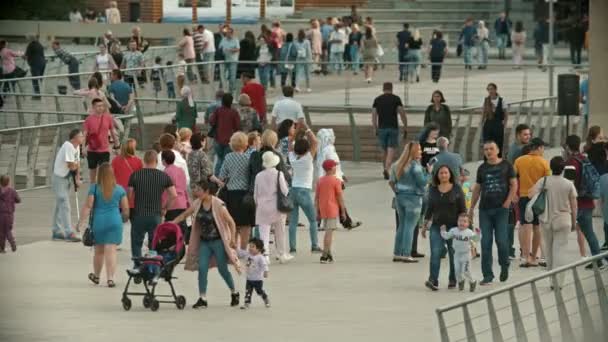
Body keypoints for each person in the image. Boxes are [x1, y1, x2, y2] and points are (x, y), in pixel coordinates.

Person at [173, 178, 241, 309]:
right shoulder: (197, 203)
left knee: (222, 270)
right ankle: (202, 298)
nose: (196, 192)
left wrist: (232, 239)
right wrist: (170, 224)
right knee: (202, 268)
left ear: (207, 191)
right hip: (204, 242)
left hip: (218, 242)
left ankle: (234, 292)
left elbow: (231, 222)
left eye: (199, 190)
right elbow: (184, 215)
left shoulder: (218, 204)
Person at [468, 141, 517, 285]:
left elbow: (514, 184)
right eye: (486, 149)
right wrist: (471, 208)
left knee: (502, 241)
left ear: (497, 150)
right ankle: (487, 274)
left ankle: (504, 264)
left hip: (501, 209)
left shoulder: (506, 165)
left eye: (491, 149)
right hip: (485, 210)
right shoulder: (482, 168)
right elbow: (477, 188)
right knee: (485, 242)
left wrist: (508, 202)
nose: (488, 151)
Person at [528, 157, 578, 289]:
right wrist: (574, 222)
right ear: (563, 169)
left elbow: (529, 194)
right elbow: (574, 206)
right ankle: (558, 283)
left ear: (550, 167)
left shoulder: (544, 181)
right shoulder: (568, 183)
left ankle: (551, 280)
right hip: (563, 219)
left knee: (548, 251)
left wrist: (542, 191)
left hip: (546, 220)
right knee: (560, 251)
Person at [78, 163, 128, 287]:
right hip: (115, 221)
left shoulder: (94, 188)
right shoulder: (120, 189)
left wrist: (80, 222)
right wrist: (122, 220)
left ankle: (97, 276)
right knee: (111, 251)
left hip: (99, 222)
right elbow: (126, 209)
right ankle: (110, 279)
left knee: (99, 251)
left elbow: (88, 206)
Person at [564, 135, 605, 269]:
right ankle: (597, 260)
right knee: (589, 233)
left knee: (561, 232)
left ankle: (557, 262)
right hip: (587, 201)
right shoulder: (584, 158)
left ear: (568, 147)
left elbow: (569, 186)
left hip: (576, 203)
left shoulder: (571, 162)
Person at [128, 151, 177, 261]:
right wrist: (165, 208)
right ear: (156, 161)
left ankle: (137, 266)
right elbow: (173, 195)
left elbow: (129, 195)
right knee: (154, 243)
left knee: (136, 243)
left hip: (139, 214)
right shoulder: (163, 176)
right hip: (156, 215)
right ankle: (151, 267)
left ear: (144, 161)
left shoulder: (135, 175)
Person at [390, 142, 430, 263]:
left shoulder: (397, 165)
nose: (421, 152)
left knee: (402, 225)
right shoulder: (415, 166)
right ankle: (406, 254)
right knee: (410, 226)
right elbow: (423, 182)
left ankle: (397, 253)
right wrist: (429, 171)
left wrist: (397, 191)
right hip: (413, 198)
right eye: (419, 150)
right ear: (414, 152)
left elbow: (391, 181)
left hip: (400, 197)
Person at [514, 137, 551, 267]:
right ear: (539, 147)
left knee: (525, 226)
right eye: (543, 148)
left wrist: (514, 194)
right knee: (537, 227)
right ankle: (535, 257)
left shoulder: (519, 160)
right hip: (539, 198)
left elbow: (513, 179)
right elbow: (548, 181)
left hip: (524, 196)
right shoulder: (544, 163)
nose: (544, 150)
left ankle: (525, 256)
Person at [315, 129, 361, 230]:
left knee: (334, 201)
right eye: (331, 136)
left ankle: (344, 222)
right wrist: (322, 180)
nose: (333, 138)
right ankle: (345, 222)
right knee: (334, 201)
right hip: (331, 181)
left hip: (336, 179)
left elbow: (336, 164)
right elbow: (322, 166)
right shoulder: (326, 150)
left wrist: (342, 174)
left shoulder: (329, 148)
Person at [219, 132, 255, 253]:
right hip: (245, 194)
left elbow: (222, 176)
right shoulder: (248, 157)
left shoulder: (228, 157)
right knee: (245, 225)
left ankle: (233, 248)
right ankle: (243, 250)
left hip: (231, 194)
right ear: (245, 144)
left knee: (232, 223)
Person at [254, 151, 292, 263]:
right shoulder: (279, 174)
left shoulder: (258, 176)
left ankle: (265, 256)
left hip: (262, 207)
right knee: (280, 231)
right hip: (276, 207)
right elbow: (285, 191)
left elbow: (255, 194)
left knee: (264, 233)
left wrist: (258, 204)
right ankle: (281, 254)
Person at [288, 129, 322, 254]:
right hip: (304, 191)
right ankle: (314, 245)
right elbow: (315, 142)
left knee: (293, 221)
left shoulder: (292, 157)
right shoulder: (308, 158)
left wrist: (296, 133)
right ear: (307, 149)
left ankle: (292, 247)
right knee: (313, 220)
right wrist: (307, 130)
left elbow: (291, 142)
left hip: (293, 190)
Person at [51, 129, 84, 242]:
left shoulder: (77, 147)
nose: (83, 138)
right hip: (60, 178)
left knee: (59, 205)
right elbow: (71, 165)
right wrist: (75, 169)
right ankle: (69, 232)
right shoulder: (68, 146)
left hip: (67, 178)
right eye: (80, 136)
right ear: (74, 138)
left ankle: (56, 231)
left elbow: (77, 164)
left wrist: (77, 178)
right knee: (64, 204)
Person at [372, 82, 408, 180]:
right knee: (391, 150)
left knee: (384, 151)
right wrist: (405, 126)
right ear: (392, 89)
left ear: (383, 89)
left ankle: (385, 168)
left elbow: (374, 115)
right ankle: (387, 169)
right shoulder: (396, 99)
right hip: (393, 128)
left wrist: (375, 128)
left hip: (382, 128)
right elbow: (402, 113)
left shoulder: (377, 100)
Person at [316, 159, 346, 264]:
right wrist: (343, 211)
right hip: (332, 209)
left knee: (328, 231)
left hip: (323, 209)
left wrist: (317, 211)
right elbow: (340, 197)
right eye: (334, 166)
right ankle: (324, 256)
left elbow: (317, 198)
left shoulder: (320, 181)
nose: (336, 168)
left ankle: (329, 254)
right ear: (330, 168)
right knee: (329, 233)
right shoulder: (336, 181)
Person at [440, 214, 479, 292]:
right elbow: (446, 236)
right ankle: (461, 281)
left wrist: (478, 233)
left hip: (466, 255)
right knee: (457, 270)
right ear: (457, 221)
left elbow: (476, 240)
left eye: (465, 221)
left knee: (466, 271)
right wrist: (443, 231)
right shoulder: (454, 230)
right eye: (460, 221)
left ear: (468, 223)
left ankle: (472, 282)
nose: (462, 223)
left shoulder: (469, 233)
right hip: (457, 255)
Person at [83, 98, 118, 183]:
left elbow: (113, 131)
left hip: (104, 149)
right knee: (92, 170)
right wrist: (83, 148)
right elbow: (85, 134)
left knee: (104, 171)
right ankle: (93, 187)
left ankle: (102, 187)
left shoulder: (108, 118)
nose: (101, 108)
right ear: (93, 107)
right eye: (98, 106)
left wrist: (117, 145)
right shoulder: (88, 120)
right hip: (92, 149)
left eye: (102, 106)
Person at [160, 151, 189, 241]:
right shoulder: (180, 170)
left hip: (172, 204)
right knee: (181, 228)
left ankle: (172, 249)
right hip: (182, 202)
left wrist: (163, 206)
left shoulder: (165, 172)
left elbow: (166, 192)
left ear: (164, 160)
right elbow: (184, 187)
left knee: (171, 229)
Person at [210, 93, 241, 175]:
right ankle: (225, 177)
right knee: (226, 160)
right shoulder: (234, 112)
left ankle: (217, 176)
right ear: (231, 102)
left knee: (220, 159)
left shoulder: (218, 110)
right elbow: (237, 126)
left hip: (218, 138)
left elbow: (212, 121)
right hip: (229, 140)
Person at [111, 138, 142, 212]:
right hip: (133, 196)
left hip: (119, 195)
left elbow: (111, 176)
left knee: (119, 220)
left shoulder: (115, 160)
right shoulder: (138, 161)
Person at [240, 238, 270, 309]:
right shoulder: (248, 255)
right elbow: (242, 254)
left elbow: (264, 265)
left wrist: (266, 272)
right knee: (248, 292)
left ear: (259, 249)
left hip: (258, 279)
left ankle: (265, 298)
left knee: (259, 291)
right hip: (249, 279)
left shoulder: (260, 257)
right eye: (249, 246)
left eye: (253, 246)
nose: (250, 248)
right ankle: (247, 303)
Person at [481, 83, 508, 157]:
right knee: (487, 143)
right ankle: (487, 161)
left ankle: (498, 160)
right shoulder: (486, 100)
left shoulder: (501, 100)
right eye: (488, 89)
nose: (490, 91)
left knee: (498, 144)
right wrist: (482, 123)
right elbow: (484, 112)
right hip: (488, 124)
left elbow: (506, 114)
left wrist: (504, 125)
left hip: (498, 124)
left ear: (495, 89)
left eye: (492, 89)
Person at [0, 175, 20, 253]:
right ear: (8, 182)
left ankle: (2, 248)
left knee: (1, 232)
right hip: (9, 213)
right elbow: (18, 200)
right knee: (8, 230)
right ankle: (12, 243)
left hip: (0, 214)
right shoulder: (12, 191)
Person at [219, 27, 240, 95]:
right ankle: (221, 90)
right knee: (222, 75)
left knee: (232, 76)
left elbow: (238, 49)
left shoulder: (235, 40)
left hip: (233, 60)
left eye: (229, 33)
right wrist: (222, 50)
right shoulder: (223, 39)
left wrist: (231, 50)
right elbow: (220, 47)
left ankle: (231, 92)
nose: (227, 34)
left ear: (232, 33)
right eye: (226, 33)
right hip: (225, 60)